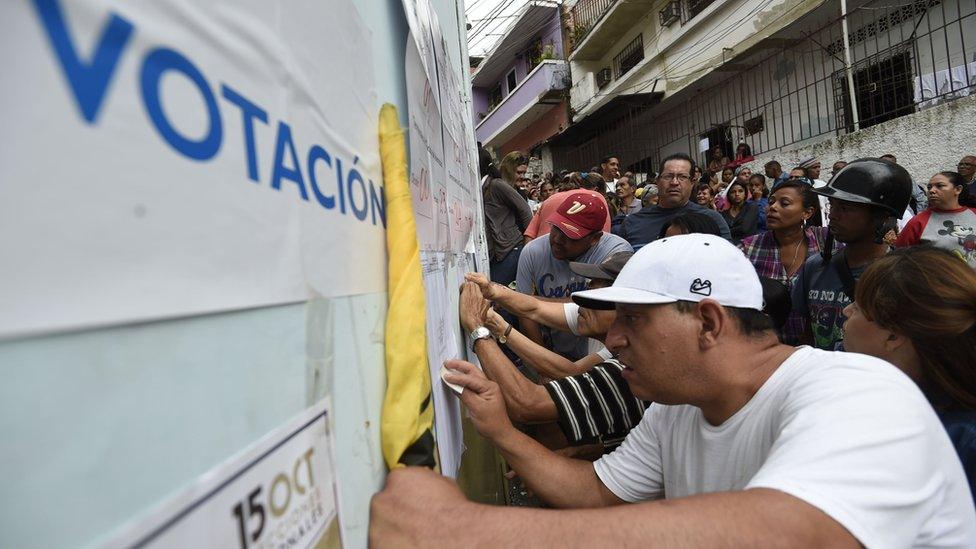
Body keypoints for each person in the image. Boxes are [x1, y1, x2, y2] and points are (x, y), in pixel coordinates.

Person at [371, 234, 976, 547]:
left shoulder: (858, 394)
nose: (616, 339)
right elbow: (597, 493)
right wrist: (502, 431)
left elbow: (797, 535)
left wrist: (467, 535)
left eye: (635, 320)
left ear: (709, 322)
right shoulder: (676, 410)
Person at [842, 245, 976, 502]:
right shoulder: (879, 402)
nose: (846, 310)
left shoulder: (961, 442)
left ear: (892, 335)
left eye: (858, 307)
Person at [792, 158, 912, 351]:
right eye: (832, 205)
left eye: (845, 208)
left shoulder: (903, 276)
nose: (832, 215)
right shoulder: (814, 267)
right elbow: (808, 333)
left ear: (881, 217)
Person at [516, 192, 632, 360]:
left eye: (570, 235)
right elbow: (524, 315)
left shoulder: (616, 252)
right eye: (555, 228)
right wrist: (543, 364)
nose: (557, 239)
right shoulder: (533, 252)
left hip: (600, 353)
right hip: (554, 348)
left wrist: (531, 302)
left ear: (595, 238)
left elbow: (602, 307)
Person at [740, 180, 829, 344]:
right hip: (763, 348)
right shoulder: (748, 249)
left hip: (816, 349)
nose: (772, 207)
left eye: (784, 203)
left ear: (807, 213)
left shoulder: (826, 242)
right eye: (771, 201)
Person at [614, 153, 730, 249]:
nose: (674, 182)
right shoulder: (632, 222)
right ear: (657, 181)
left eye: (682, 177)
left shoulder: (712, 220)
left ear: (692, 182)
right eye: (668, 176)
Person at [479, 145, 533, 292]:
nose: (522, 176)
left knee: (496, 295)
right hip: (499, 253)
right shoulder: (490, 186)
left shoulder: (497, 185)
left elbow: (526, 213)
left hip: (511, 249)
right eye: (519, 172)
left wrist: (528, 246)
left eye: (523, 173)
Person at [895, 171, 976, 266]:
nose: (932, 190)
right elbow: (899, 257)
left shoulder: (973, 214)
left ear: (958, 189)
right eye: (929, 187)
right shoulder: (918, 221)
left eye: (940, 186)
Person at [720, 180, 760, 244]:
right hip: (728, 247)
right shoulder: (724, 214)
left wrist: (726, 232)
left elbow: (744, 228)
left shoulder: (751, 207)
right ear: (729, 195)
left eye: (740, 191)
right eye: (733, 192)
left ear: (745, 194)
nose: (737, 194)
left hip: (747, 247)